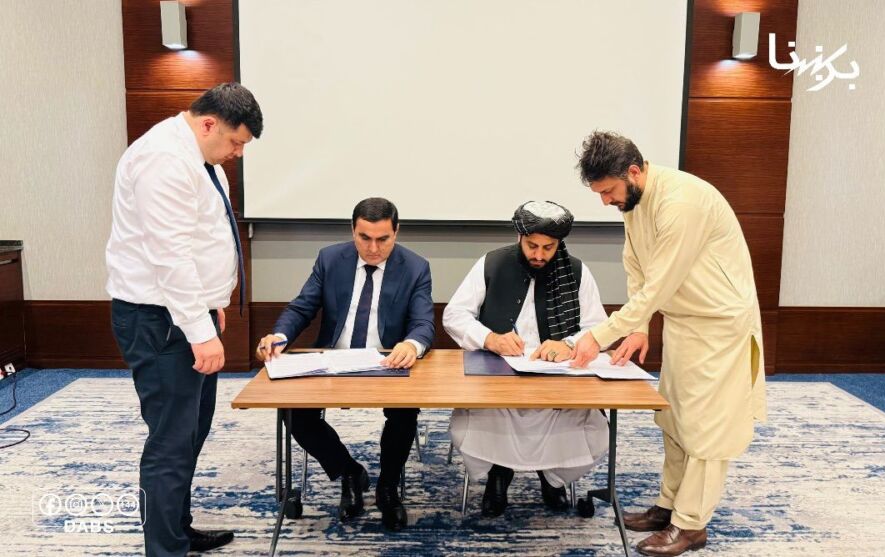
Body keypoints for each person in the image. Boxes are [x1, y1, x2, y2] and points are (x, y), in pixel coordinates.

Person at [571, 131, 766, 556]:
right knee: (675, 420)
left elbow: (659, 283)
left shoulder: (682, 202)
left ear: (633, 172)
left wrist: (598, 336)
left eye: (608, 191)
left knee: (708, 428)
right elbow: (637, 267)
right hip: (683, 322)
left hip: (720, 326)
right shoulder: (634, 202)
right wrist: (639, 327)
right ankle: (668, 506)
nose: (605, 201)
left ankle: (691, 525)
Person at [107, 83, 263, 556]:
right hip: (160, 322)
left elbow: (202, 236)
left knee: (190, 432)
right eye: (236, 142)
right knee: (171, 442)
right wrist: (200, 330)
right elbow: (169, 256)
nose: (238, 153)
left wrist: (213, 303)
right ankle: (165, 549)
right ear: (209, 123)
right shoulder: (163, 159)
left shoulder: (199, 156)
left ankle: (176, 529)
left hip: (186, 313)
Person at [256, 197, 434, 531]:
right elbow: (302, 307)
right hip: (332, 359)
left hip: (386, 361)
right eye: (364, 238)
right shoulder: (330, 259)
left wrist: (411, 344)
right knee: (295, 413)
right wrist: (279, 335)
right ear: (352, 231)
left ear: (396, 232)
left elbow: (424, 322)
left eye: (383, 239)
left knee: (405, 413)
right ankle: (349, 471)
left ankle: (387, 488)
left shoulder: (415, 267)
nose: (373, 248)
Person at [443, 201, 610, 517]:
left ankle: (553, 476)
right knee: (475, 423)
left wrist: (569, 344)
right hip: (498, 382)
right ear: (519, 237)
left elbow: (599, 327)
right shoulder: (492, 263)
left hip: (556, 386)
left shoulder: (576, 271)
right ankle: (499, 473)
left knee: (593, 431)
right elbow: (454, 315)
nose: (539, 255)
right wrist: (489, 338)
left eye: (548, 248)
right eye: (532, 246)